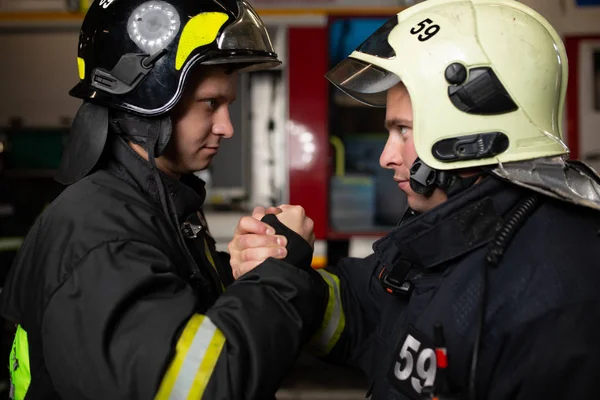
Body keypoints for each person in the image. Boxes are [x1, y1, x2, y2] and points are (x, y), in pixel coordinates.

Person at [230, 0, 600, 398]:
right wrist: (285, 272)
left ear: (468, 135)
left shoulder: (556, 296)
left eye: (403, 131)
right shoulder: (448, 236)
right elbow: (363, 310)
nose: (386, 157)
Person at [0, 0, 329, 399]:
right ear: (148, 104)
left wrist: (240, 272)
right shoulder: (101, 233)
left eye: (229, 106)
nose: (226, 127)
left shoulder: (148, 204)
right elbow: (198, 387)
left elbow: (182, 311)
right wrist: (277, 274)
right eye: (211, 104)